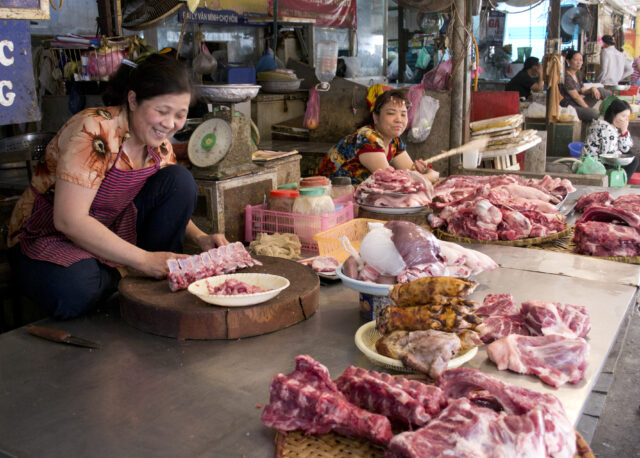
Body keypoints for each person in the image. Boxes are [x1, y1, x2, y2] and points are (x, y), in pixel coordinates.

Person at [7, 53, 229, 319]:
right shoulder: (93, 131)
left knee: (179, 181)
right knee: (79, 287)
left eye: (180, 115)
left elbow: (172, 199)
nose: (170, 124)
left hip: (109, 229)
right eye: (161, 111)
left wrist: (200, 238)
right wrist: (143, 260)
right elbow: (68, 221)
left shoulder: (159, 145)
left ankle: (140, 273)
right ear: (133, 100)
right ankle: (132, 274)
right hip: (44, 238)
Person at [316, 89, 439, 184]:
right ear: (376, 117)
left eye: (403, 114)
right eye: (391, 113)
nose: (399, 120)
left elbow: (410, 172)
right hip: (329, 198)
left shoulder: (394, 142)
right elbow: (392, 182)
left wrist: (421, 170)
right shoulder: (367, 137)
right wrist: (430, 176)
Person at [581, 99, 638, 178]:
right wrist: (620, 154)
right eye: (623, 116)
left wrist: (624, 131)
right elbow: (608, 156)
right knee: (633, 161)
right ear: (613, 115)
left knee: (631, 155)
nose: (626, 120)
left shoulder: (607, 126)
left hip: (599, 160)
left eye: (627, 117)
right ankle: (618, 184)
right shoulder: (607, 130)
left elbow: (625, 148)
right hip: (594, 165)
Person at [560, 49, 611, 122]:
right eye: (576, 60)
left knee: (601, 91)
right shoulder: (566, 76)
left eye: (581, 60)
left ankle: (617, 108)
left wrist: (592, 89)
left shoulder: (578, 74)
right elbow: (576, 97)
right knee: (594, 113)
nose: (579, 63)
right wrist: (587, 108)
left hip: (578, 103)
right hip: (570, 107)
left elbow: (583, 90)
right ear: (568, 61)